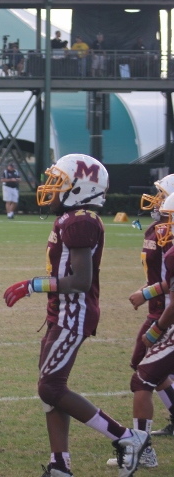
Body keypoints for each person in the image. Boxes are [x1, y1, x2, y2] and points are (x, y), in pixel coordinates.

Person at [3, 153, 149, 477]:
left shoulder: (80, 221)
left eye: (59, 183)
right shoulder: (71, 218)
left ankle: (127, 437)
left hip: (74, 313)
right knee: (50, 387)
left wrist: (32, 285)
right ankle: (60, 465)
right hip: (62, 312)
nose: (50, 189)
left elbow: (80, 281)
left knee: (50, 387)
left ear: (80, 189)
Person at [128, 175, 174, 439]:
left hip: (166, 311)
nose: (156, 200)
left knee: (144, 368)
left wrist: (146, 293)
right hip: (159, 307)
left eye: (161, 195)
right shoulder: (157, 228)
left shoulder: (169, 233)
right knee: (148, 367)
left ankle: (141, 446)